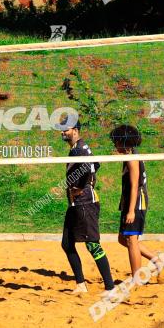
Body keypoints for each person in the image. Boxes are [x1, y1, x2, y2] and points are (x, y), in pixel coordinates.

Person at [57, 117, 116, 295]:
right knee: (67, 243)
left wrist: (81, 187)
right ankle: (81, 284)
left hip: (85, 203)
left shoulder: (80, 149)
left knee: (92, 244)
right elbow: (95, 164)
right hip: (75, 203)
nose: (62, 132)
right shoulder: (77, 148)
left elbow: (92, 166)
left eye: (65, 129)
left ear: (75, 130)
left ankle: (110, 287)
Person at [109, 124, 160, 281]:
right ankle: (156, 259)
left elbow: (135, 187)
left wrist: (131, 210)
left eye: (116, 142)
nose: (114, 145)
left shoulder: (132, 158)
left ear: (124, 143)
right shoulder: (129, 155)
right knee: (122, 239)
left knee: (131, 239)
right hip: (129, 202)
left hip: (136, 202)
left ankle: (137, 278)